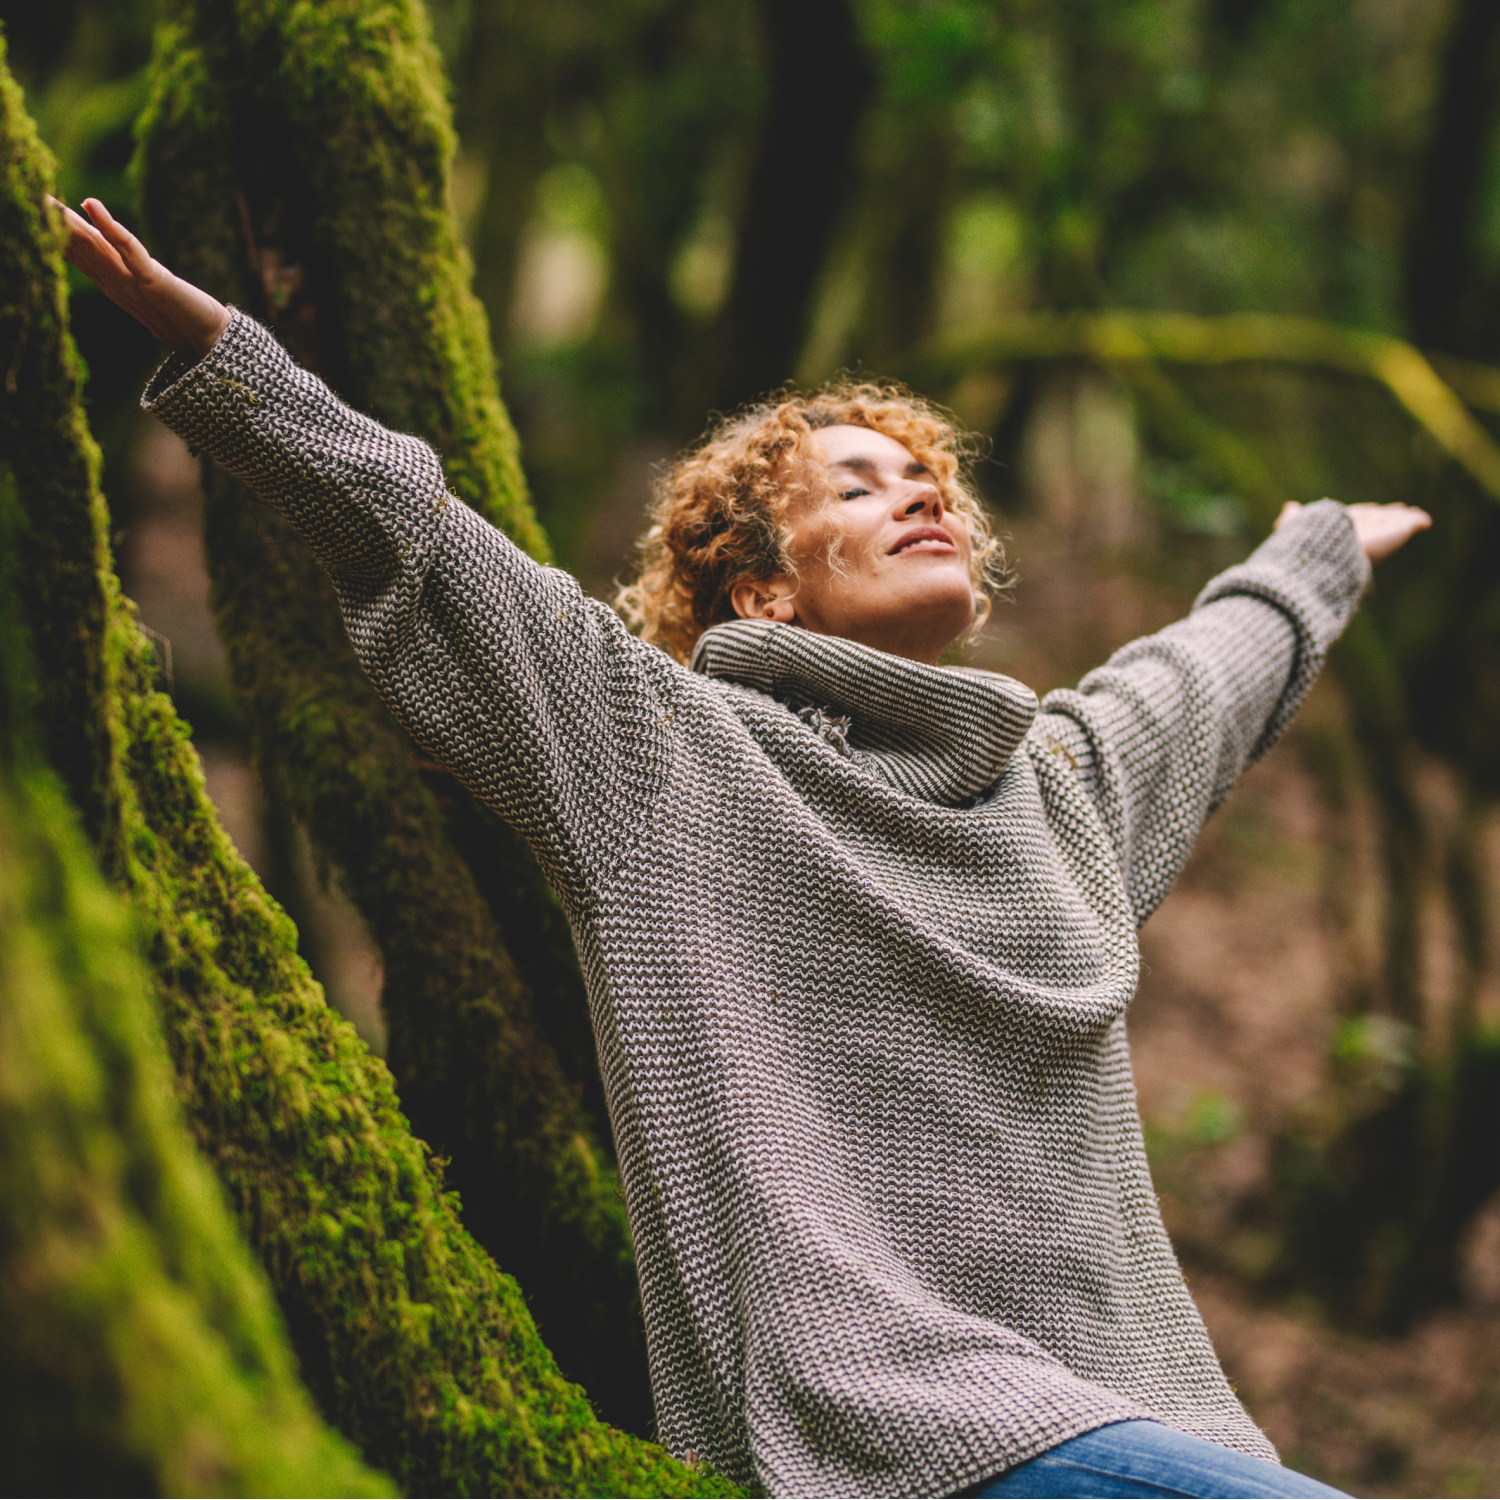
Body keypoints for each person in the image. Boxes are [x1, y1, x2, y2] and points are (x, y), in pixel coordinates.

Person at [60, 197, 1430, 1500]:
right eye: (862, 483)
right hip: (880, 1438)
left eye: (927, 479)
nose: (920, 498)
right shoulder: (667, 761)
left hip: (1151, 1424)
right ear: (765, 583)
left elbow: (1199, 679)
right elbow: (430, 545)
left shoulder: (1057, 791)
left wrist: (1319, 559)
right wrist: (223, 356)